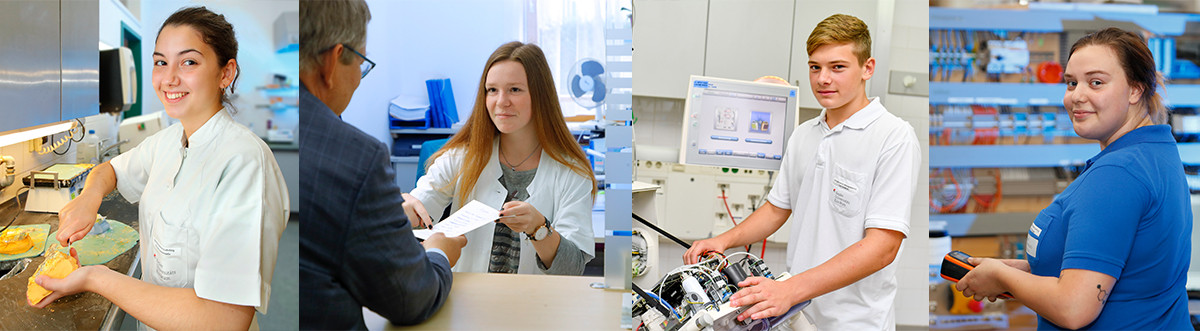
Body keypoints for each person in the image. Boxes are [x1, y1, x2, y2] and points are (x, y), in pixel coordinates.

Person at [41, 6, 289, 330]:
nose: (169, 78)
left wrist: (95, 278)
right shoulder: (170, 139)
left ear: (225, 73)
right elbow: (109, 170)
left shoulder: (245, 163)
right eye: (161, 62)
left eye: (188, 62)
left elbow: (224, 319)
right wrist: (88, 199)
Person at [682, 14, 920, 330]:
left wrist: (790, 289)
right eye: (814, 67)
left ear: (867, 68)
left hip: (855, 321)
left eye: (837, 67)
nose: (823, 79)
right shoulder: (806, 134)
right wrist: (725, 240)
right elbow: (777, 208)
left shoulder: (893, 137)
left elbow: (882, 248)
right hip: (797, 316)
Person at [957, 27, 1192, 330]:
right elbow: (1121, 267)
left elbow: (1074, 308)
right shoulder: (1156, 151)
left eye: (1096, 82)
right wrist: (1022, 272)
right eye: (1071, 83)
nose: (1076, 96)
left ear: (1135, 90)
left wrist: (1002, 277)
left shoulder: (1117, 174)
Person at [297, 0, 468, 328]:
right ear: (333, 62)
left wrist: (374, 209)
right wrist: (439, 252)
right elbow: (410, 298)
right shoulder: (357, 158)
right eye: (361, 63)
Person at [401, 41, 596, 275]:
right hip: (466, 305)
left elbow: (571, 269)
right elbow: (419, 209)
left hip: (535, 307)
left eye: (514, 89)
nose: (501, 101)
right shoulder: (461, 157)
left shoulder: (571, 172)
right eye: (492, 90)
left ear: (540, 95)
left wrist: (539, 227)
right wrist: (403, 209)